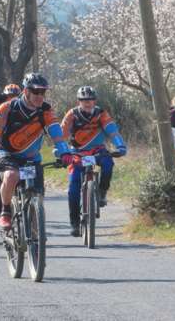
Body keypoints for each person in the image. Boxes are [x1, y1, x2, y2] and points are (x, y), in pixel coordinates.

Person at [0, 73, 72, 231]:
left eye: (42, 92)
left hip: (31, 158)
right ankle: (5, 212)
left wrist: (65, 152)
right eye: (35, 92)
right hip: (7, 153)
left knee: (38, 196)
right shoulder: (7, 107)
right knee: (11, 176)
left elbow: (56, 133)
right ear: (26, 91)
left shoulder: (46, 110)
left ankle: (35, 235)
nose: (40, 96)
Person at [61, 86, 127, 236]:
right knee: (73, 188)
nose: (87, 103)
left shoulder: (101, 114)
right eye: (84, 100)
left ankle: (102, 192)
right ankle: (75, 224)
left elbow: (112, 130)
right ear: (79, 101)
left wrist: (120, 145)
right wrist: (61, 151)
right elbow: (61, 134)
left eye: (90, 100)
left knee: (108, 164)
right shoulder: (72, 115)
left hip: (97, 150)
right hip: (77, 153)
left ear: (94, 101)